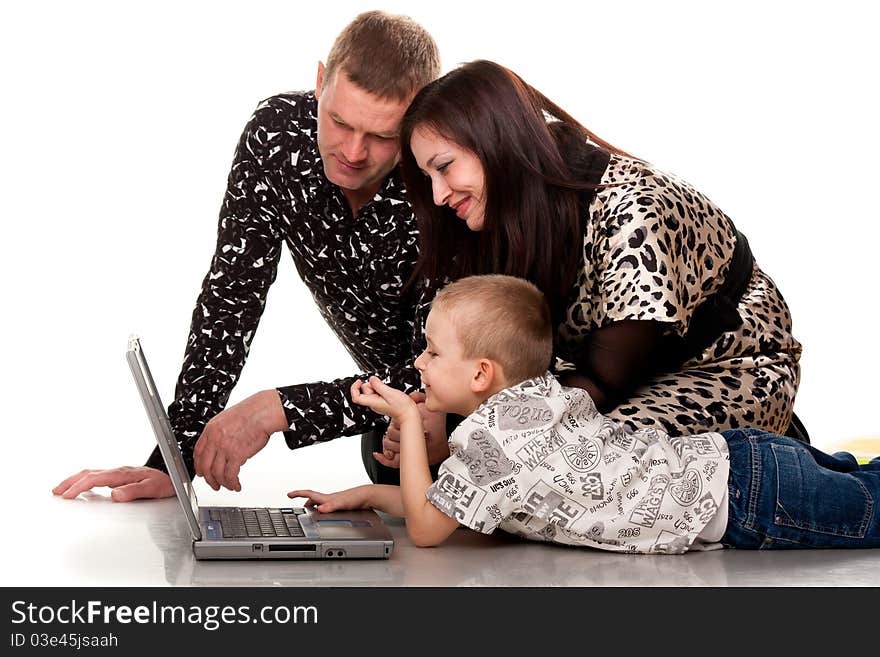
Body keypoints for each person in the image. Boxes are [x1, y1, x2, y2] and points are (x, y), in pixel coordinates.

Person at [53, 11, 446, 503]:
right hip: (387, 414)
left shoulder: (441, 179)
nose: (352, 150)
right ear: (321, 80)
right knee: (384, 463)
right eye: (339, 120)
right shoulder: (276, 137)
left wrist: (278, 409)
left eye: (383, 136)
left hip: (467, 401)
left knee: (407, 474)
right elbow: (231, 299)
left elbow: (442, 367)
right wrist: (173, 459)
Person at [290, 275, 880, 553]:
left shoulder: (494, 444)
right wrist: (366, 495)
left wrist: (408, 421)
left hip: (747, 499)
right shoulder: (530, 402)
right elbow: (448, 506)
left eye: (432, 351)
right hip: (744, 462)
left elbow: (426, 529)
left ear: (479, 376)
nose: (418, 363)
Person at [394, 59, 803, 446]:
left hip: (727, 371)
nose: (438, 194)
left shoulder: (634, 213)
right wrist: (438, 414)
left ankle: (782, 459)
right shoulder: (496, 214)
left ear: (496, 141)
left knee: (557, 464)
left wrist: (464, 430)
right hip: (606, 379)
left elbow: (604, 384)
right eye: (427, 175)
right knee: (421, 447)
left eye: (444, 166)